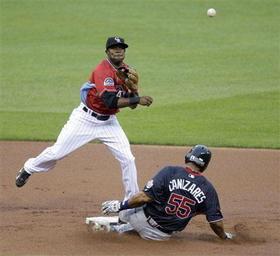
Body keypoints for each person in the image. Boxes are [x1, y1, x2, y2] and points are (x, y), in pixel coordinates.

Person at [15, 36, 153, 202]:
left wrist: (133, 92)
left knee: (128, 159)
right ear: (107, 51)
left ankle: (131, 202)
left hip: (109, 123)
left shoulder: (128, 73)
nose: (118, 50)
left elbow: (132, 105)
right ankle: (29, 167)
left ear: (125, 51)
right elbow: (109, 101)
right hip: (85, 119)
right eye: (114, 48)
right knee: (57, 152)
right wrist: (138, 99)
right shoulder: (102, 70)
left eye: (121, 48)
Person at [98, 145, 234, 241]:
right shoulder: (208, 189)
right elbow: (216, 223)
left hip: (141, 219)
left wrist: (120, 206)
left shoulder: (170, 171)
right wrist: (224, 237)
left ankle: (119, 227)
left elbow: (144, 197)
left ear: (189, 156)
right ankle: (126, 228)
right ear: (205, 165)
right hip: (160, 236)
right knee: (145, 206)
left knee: (134, 198)